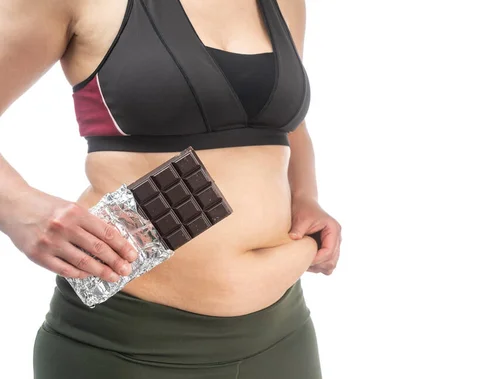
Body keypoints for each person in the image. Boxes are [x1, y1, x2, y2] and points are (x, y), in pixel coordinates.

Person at [0, 0, 342, 377]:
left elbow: (289, 123)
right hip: (128, 345)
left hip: (283, 335)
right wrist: (18, 207)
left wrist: (306, 196)